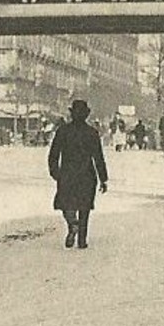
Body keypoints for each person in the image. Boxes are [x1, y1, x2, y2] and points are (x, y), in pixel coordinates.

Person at [49, 98, 109, 249]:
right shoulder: (92, 133)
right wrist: (103, 179)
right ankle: (82, 240)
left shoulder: (63, 131)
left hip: (67, 174)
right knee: (84, 207)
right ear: (86, 115)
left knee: (65, 203)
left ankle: (72, 223)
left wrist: (55, 172)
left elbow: (53, 154)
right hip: (87, 174)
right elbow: (98, 157)